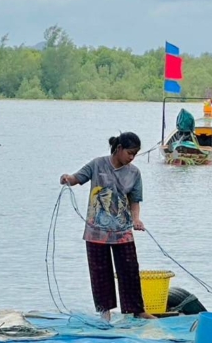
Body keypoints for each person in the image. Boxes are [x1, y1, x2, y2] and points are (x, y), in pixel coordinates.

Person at [60, 132, 154, 322]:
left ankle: (136, 310)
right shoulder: (97, 164)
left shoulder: (134, 173)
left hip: (122, 231)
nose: (132, 157)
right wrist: (67, 179)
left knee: (130, 270)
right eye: (129, 153)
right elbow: (77, 178)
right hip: (96, 231)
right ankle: (105, 313)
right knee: (100, 273)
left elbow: (134, 200)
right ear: (119, 149)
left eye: (135, 154)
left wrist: (136, 220)